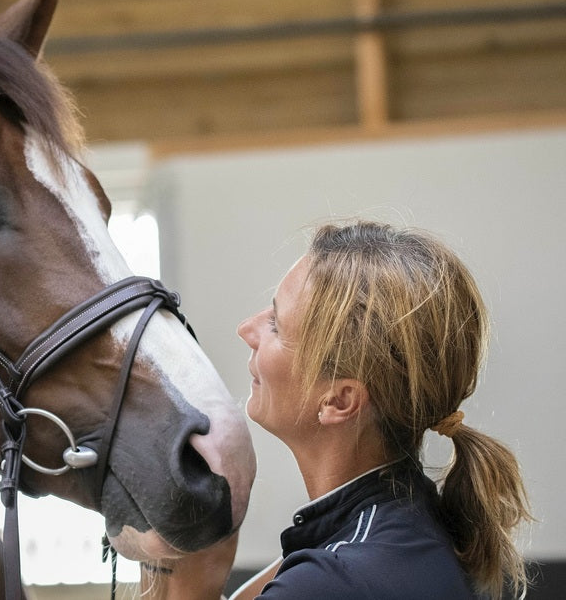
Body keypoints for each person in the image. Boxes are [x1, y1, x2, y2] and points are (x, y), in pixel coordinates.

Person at [141, 220, 531, 599]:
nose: (247, 329)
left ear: (338, 401)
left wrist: (181, 586)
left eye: (276, 325)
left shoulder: (332, 578)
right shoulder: (416, 524)